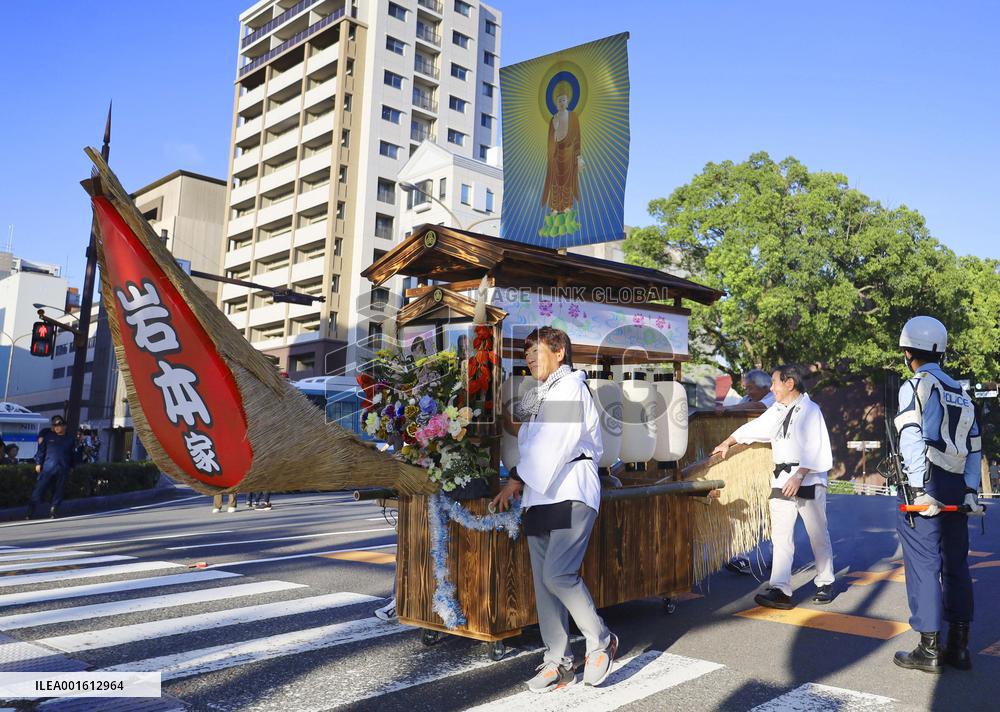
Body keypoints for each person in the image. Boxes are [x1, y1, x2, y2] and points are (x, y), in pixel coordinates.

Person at [492, 326, 617, 692]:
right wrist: (499, 411)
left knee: (558, 575)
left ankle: (601, 640)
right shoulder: (540, 394)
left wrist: (515, 478)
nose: (529, 357)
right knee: (544, 585)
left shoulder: (571, 388)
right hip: (540, 496)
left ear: (559, 351)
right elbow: (527, 436)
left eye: (537, 350)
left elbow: (552, 446)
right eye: (526, 352)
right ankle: (558, 662)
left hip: (569, 490)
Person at [892, 316, 982, 674]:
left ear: (908, 350)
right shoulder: (961, 392)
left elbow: (911, 435)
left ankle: (929, 651)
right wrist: (972, 490)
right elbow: (974, 446)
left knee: (924, 565)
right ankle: (959, 649)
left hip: (926, 482)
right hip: (959, 485)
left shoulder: (915, 385)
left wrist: (916, 487)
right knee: (957, 565)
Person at [712, 365, 836, 609]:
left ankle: (825, 581)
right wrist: (728, 442)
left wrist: (799, 475)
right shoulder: (777, 410)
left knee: (817, 533)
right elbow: (754, 429)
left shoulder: (812, 410)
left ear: (789, 383)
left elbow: (816, 447)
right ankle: (780, 588)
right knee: (780, 537)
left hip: (808, 478)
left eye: (775, 383)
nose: (772, 388)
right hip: (781, 478)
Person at [27, 415, 76, 519]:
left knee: (59, 490)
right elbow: (41, 451)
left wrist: (72, 466)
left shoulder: (70, 439)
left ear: (65, 426)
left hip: (63, 468)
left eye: (60, 425)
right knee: (39, 489)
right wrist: (38, 463)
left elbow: (72, 455)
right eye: (55, 425)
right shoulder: (49, 437)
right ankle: (30, 511)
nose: (57, 427)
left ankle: (53, 510)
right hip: (47, 468)